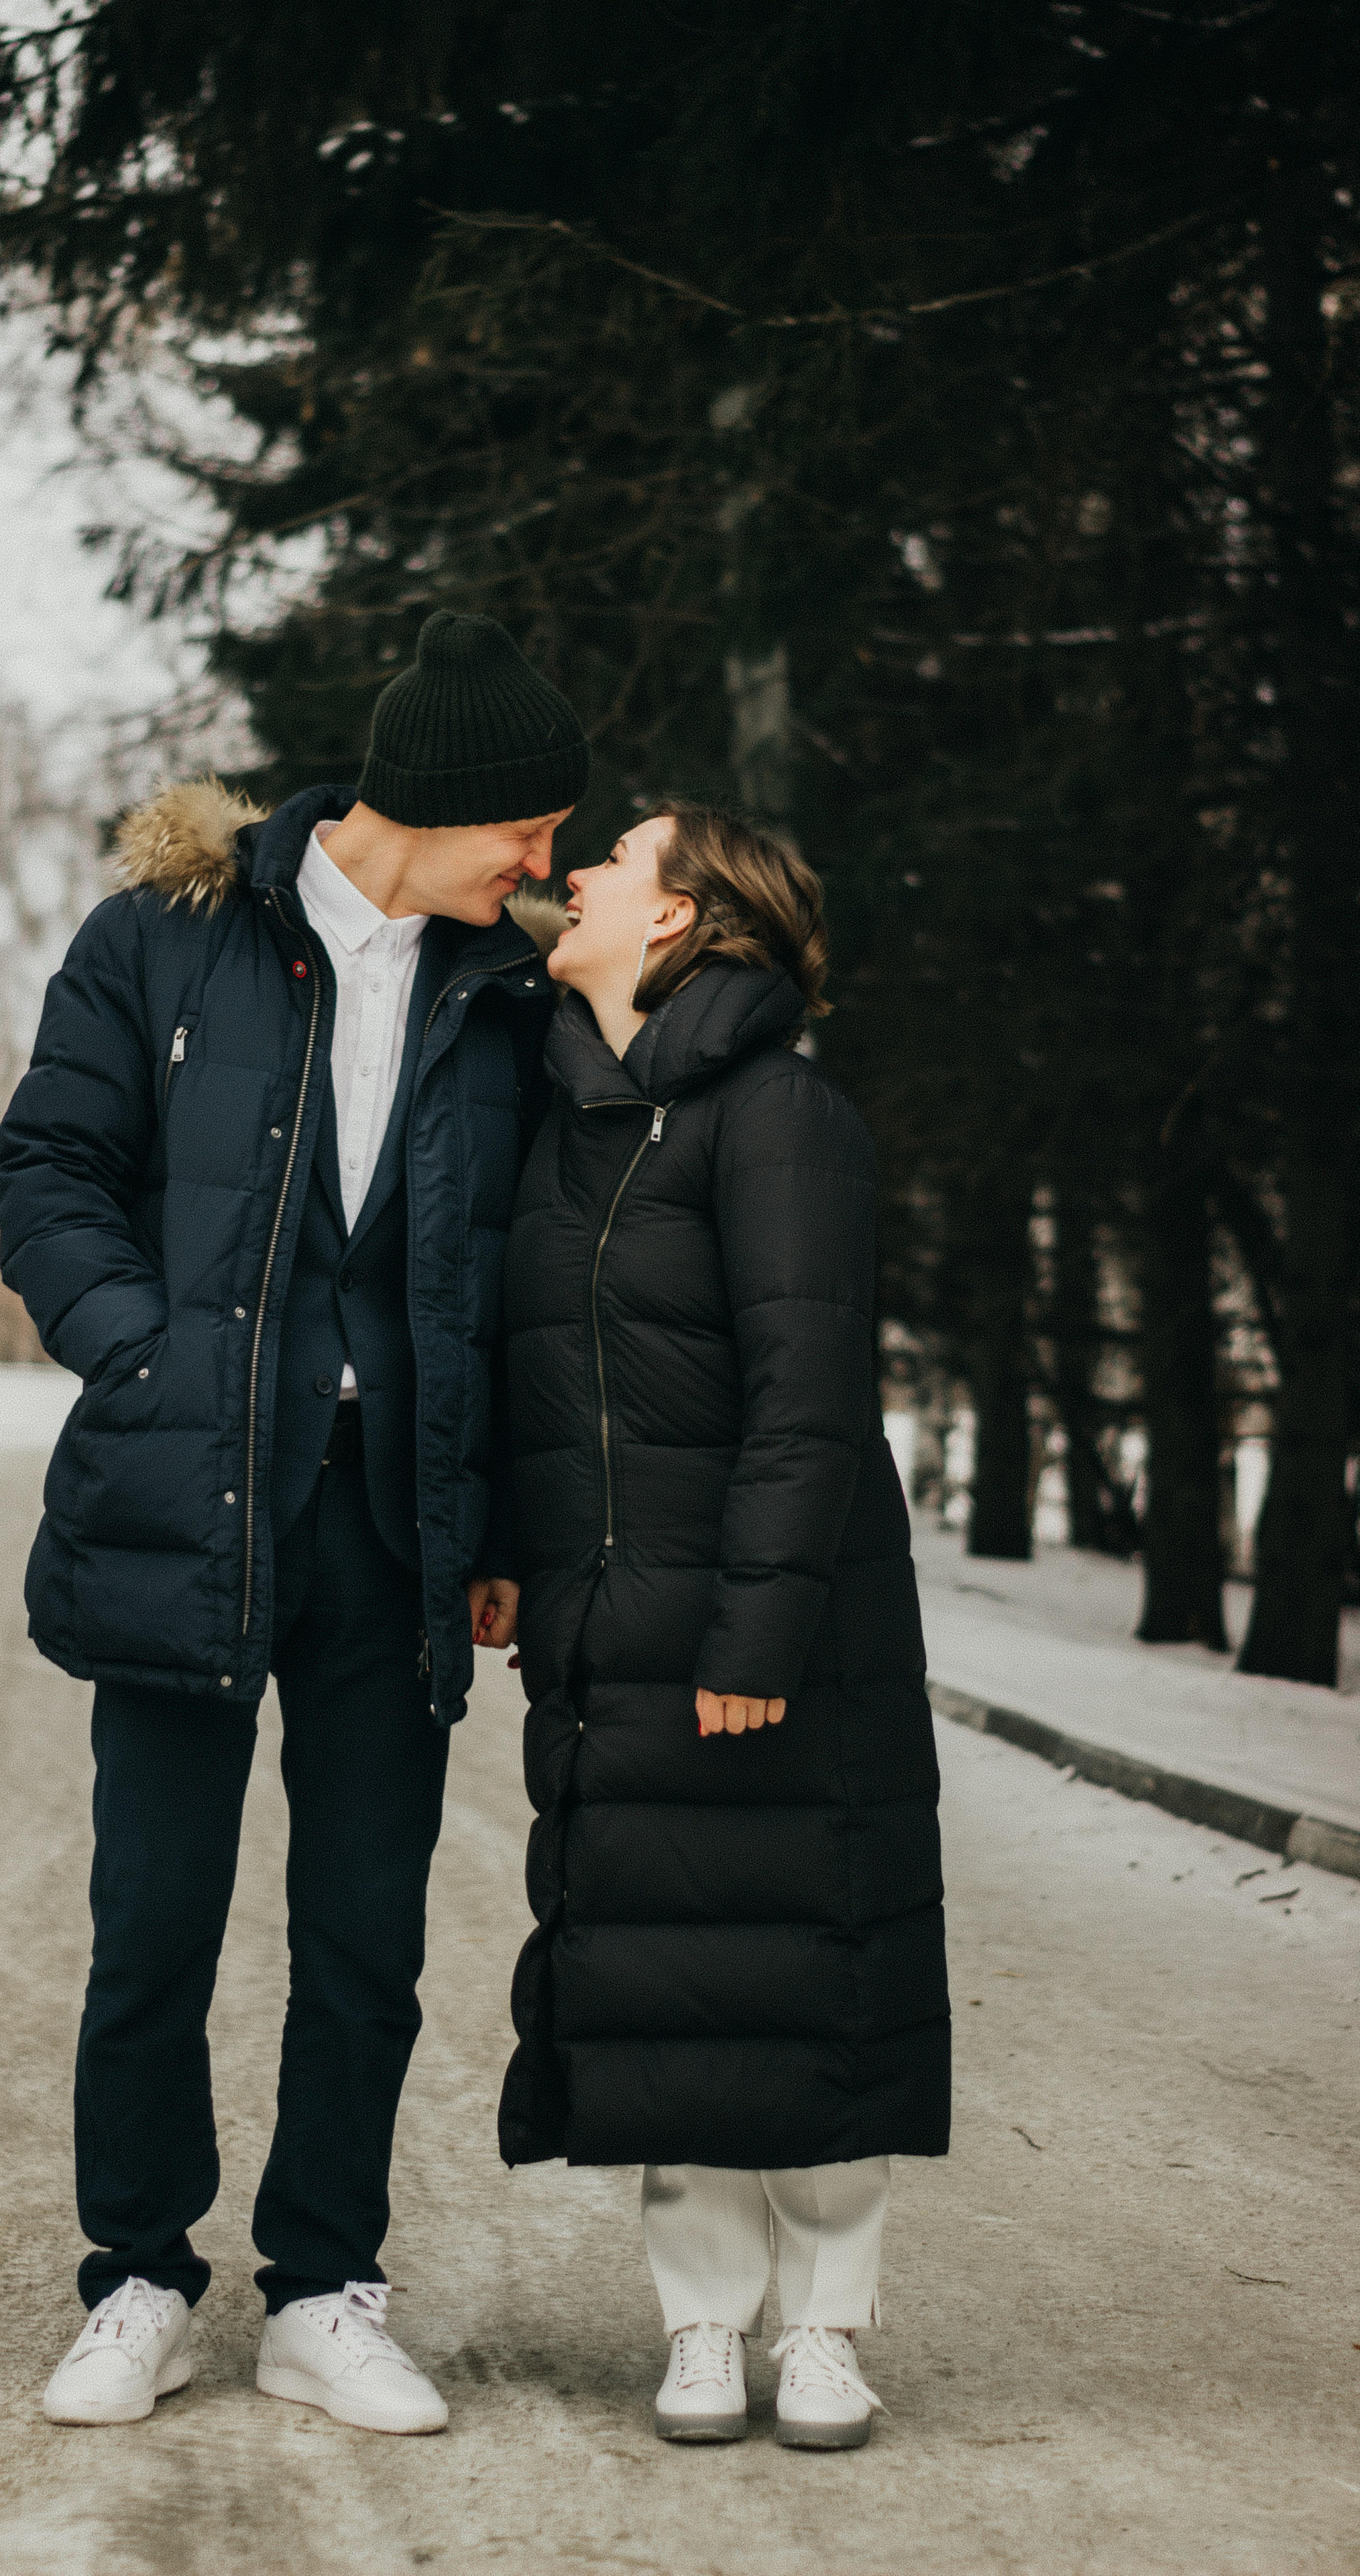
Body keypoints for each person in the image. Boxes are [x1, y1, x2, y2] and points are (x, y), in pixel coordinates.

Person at [0, 610, 586, 2432]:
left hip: (392, 1530)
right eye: (533, 836)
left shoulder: (506, 998)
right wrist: (136, 1355)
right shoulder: (162, 941)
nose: (547, 870)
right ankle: (139, 2279)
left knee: (364, 1933)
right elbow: (50, 1167)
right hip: (185, 1497)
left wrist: (489, 1512)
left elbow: (518, 1281)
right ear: (446, 806)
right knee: (153, 1918)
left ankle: (324, 2284)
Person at [498, 802, 950, 2449]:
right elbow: (532, 1370)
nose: (574, 879)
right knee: (668, 1997)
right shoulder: (567, 1120)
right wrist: (503, 1548)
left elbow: (807, 1398)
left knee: (809, 1979)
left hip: (779, 1637)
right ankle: (701, 2327)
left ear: (682, 916)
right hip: (614, 1632)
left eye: (610, 862)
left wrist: (751, 1641)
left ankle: (824, 2330)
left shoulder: (779, 1113)